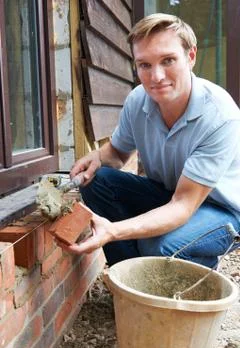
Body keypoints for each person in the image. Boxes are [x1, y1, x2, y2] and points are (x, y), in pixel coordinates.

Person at [56, 13, 240, 268]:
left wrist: (114, 230)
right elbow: (118, 155)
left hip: (219, 211)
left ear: (191, 56)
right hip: (169, 195)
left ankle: (196, 267)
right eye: (144, 65)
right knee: (98, 181)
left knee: (159, 245)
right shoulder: (138, 100)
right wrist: (97, 157)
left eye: (168, 60)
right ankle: (130, 281)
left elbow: (183, 206)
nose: (156, 77)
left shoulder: (220, 116)